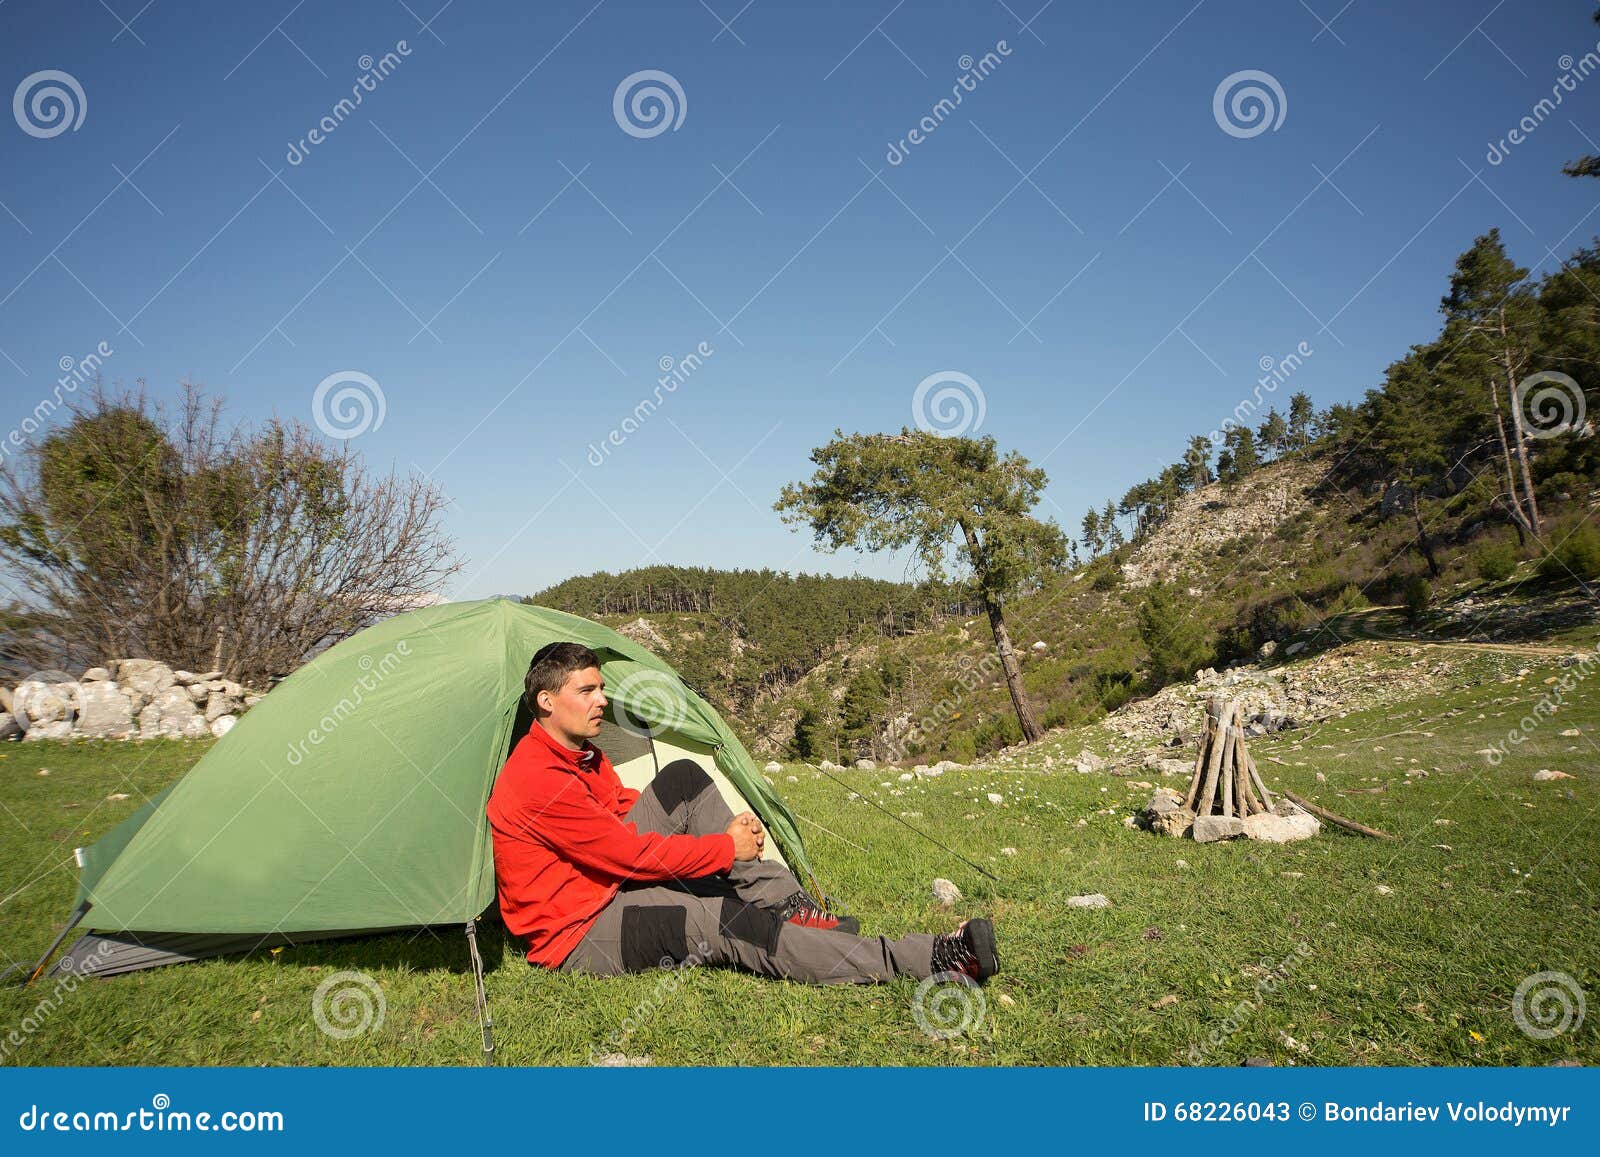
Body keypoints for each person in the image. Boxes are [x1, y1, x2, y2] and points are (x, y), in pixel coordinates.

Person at [486, 641, 999, 985]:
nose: (602, 700)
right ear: (547, 701)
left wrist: (720, 845)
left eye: (602, 687)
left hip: (605, 883)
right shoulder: (537, 779)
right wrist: (724, 848)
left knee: (682, 778)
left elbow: (619, 811)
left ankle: (790, 909)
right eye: (588, 691)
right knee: (722, 920)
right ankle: (928, 957)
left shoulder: (582, 753)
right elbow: (624, 854)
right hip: (577, 929)